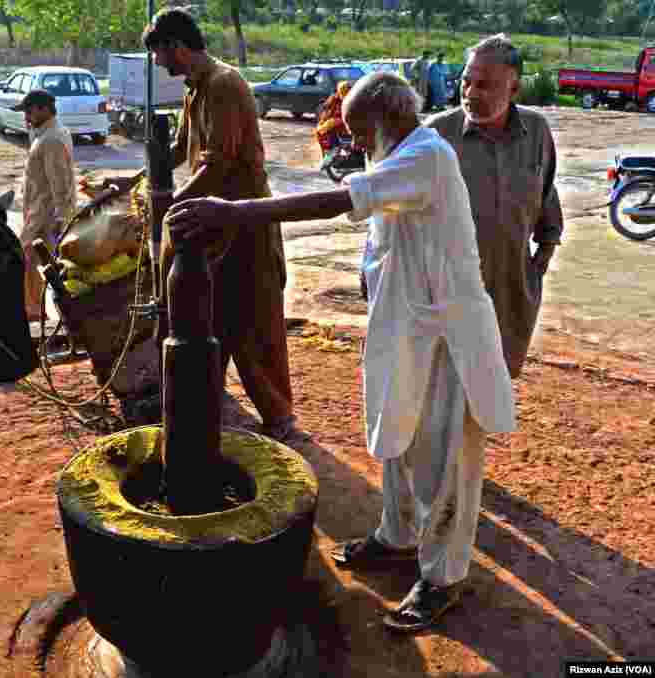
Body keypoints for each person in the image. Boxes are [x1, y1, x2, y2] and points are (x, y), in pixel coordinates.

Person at [165, 72, 516, 631]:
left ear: (382, 121)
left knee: (446, 463)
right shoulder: (398, 162)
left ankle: (443, 577)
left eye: (356, 132)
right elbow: (384, 232)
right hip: (405, 333)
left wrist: (234, 212)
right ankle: (397, 537)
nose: (353, 144)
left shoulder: (428, 156)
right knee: (396, 439)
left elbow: (339, 200)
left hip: (449, 344)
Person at [142, 7, 295, 441]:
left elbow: (219, 162)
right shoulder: (196, 89)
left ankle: (280, 418)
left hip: (243, 222)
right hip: (212, 220)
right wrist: (137, 178)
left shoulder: (225, 85)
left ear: (175, 47)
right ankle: (209, 395)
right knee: (210, 315)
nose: (158, 65)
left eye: (158, 55)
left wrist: (174, 202)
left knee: (251, 319)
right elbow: (179, 150)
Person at [428, 34, 564, 379]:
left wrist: (542, 258)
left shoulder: (535, 132)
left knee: (492, 384)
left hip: (510, 289)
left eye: (485, 86)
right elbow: (393, 208)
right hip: (446, 291)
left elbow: (546, 194)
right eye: (466, 82)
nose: (471, 93)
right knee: (444, 384)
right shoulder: (435, 136)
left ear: (514, 89)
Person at [15, 89, 77, 321]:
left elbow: (60, 184)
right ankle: (37, 313)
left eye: (29, 112)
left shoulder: (51, 138)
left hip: (46, 220)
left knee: (35, 269)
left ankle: (35, 317)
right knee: (39, 272)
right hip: (38, 215)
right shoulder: (47, 133)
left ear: (44, 109)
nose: (26, 118)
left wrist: (61, 221)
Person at [315, 80, 353, 170]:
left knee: (330, 126)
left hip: (347, 123)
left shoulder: (352, 99)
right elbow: (326, 109)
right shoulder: (335, 98)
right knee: (321, 130)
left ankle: (333, 150)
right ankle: (328, 154)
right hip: (338, 123)